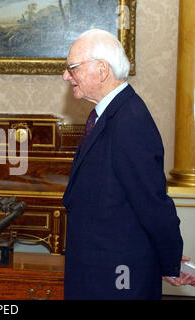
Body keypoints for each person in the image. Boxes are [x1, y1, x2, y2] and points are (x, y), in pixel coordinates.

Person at [62, 29, 194, 300]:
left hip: (116, 278)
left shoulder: (129, 120)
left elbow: (151, 202)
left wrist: (168, 259)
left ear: (101, 70)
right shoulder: (110, 113)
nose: (66, 76)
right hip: (100, 269)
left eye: (72, 68)